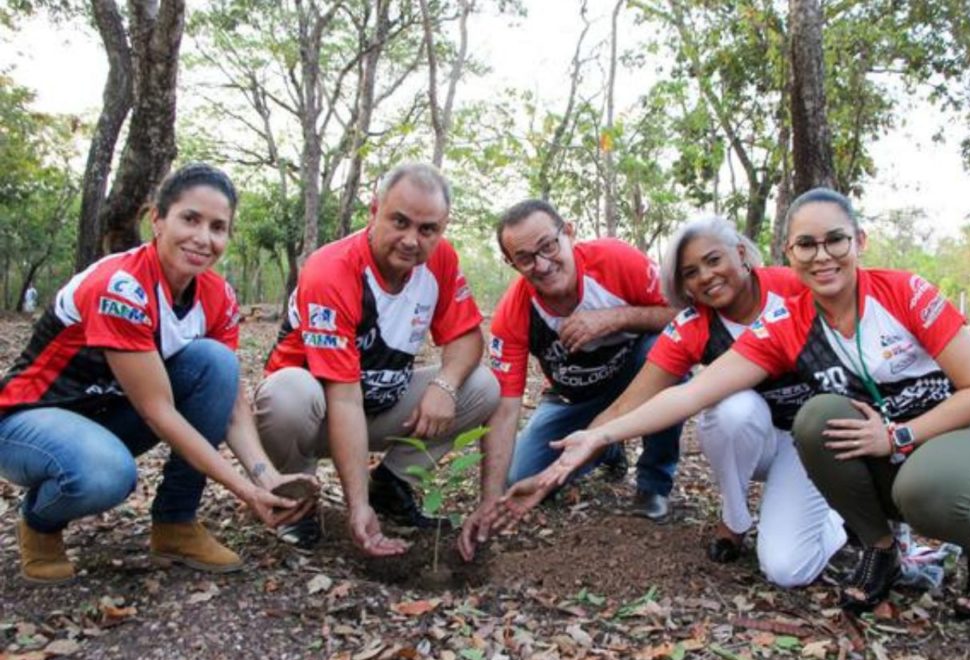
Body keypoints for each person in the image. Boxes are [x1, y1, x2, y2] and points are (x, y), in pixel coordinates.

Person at [505, 188, 970, 619]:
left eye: (835, 241)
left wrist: (898, 436)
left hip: (964, 433)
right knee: (803, 456)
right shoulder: (790, 322)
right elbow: (686, 394)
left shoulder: (897, 292)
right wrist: (590, 440)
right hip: (865, 443)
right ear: (789, 253)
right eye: (806, 246)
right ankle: (878, 547)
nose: (822, 257)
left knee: (916, 485)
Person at [481, 216, 846, 587]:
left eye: (714, 260)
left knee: (785, 562)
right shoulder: (695, 325)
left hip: (823, 435)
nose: (705, 276)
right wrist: (555, 471)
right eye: (691, 272)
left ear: (740, 253)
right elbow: (658, 400)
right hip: (761, 437)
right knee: (731, 412)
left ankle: (847, 513)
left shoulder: (794, 289)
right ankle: (736, 519)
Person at [0, 163, 314, 584]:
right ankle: (40, 523)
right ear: (157, 220)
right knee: (107, 474)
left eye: (218, 227)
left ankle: (175, 523)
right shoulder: (121, 286)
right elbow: (158, 411)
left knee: (215, 364)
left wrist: (267, 477)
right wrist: (243, 490)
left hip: (110, 415)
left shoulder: (218, 296)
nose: (203, 238)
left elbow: (232, 404)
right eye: (190, 219)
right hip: (29, 420)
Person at [255, 162, 500, 555]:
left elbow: (468, 338)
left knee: (482, 385)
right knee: (286, 394)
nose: (411, 240)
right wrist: (357, 508)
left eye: (427, 229)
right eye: (399, 222)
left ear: (442, 228)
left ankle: (389, 483)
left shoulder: (439, 261)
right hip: (315, 414)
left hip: (381, 403)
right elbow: (343, 398)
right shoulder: (332, 270)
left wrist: (445, 384)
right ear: (374, 211)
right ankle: (296, 495)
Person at [458, 199, 680, 561]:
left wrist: (617, 318)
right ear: (511, 263)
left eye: (548, 246)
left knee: (666, 347)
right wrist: (489, 499)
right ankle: (606, 444)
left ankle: (653, 483)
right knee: (522, 476)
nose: (543, 265)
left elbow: (683, 318)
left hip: (639, 377)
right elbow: (504, 408)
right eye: (526, 258)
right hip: (573, 397)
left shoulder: (617, 261)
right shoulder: (513, 315)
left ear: (570, 233)